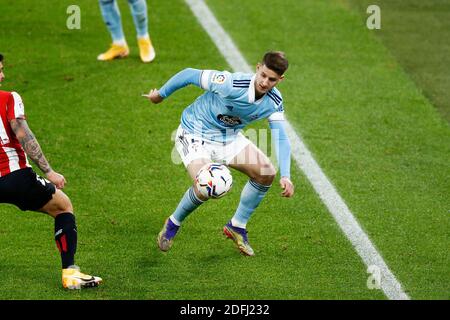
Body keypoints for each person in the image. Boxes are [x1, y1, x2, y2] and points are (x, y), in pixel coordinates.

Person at [144, 51, 294, 256]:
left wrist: (286, 175)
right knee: (207, 184)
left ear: (281, 79)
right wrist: (160, 95)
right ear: (258, 67)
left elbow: (281, 136)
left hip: (228, 138)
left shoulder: (274, 101)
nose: (265, 82)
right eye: (263, 75)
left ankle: (237, 226)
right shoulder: (230, 83)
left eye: (272, 80)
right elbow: (189, 74)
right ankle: (173, 223)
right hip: (195, 133)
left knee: (266, 173)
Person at [0, 54, 102, 289]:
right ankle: (70, 274)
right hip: (15, 177)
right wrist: (49, 171)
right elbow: (24, 135)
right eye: (0, 70)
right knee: (63, 206)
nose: (3, 75)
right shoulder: (9, 99)